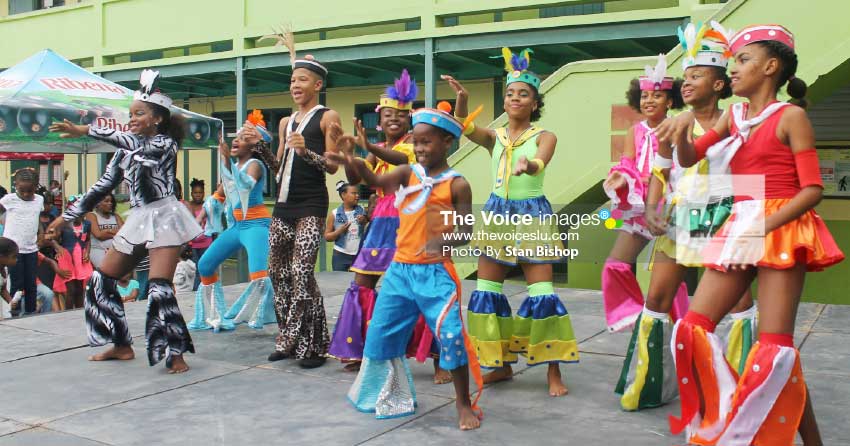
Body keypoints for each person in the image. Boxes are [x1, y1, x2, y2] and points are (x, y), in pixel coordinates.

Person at [657, 24, 844, 445]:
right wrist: (683, 127)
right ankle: (729, 417)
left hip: (780, 226)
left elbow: (812, 190)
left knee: (774, 351)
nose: (733, 69)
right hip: (738, 221)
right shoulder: (734, 115)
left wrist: (759, 227)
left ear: (771, 67)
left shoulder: (791, 117)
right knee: (690, 330)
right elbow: (689, 158)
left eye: (742, 60)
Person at [615, 21, 755, 411]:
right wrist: (653, 208)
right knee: (657, 298)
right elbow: (660, 173)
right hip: (681, 217)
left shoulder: (738, 120)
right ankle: (649, 387)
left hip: (725, 218)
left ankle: (742, 387)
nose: (687, 82)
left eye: (697, 75)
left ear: (719, 84)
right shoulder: (671, 125)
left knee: (740, 303)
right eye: (686, 76)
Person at [335, 105, 482, 430]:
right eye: (416, 142)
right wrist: (352, 155)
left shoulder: (457, 184)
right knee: (380, 333)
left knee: (451, 335)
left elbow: (465, 232)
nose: (419, 148)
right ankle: (387, 393)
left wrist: (440, 243)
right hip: (400, 272)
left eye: (426, 142)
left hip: (435, 274)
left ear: (447, 142)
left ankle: (463, 402)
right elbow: (373, 179)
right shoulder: (406, 173)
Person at [48, 69, 202, 374]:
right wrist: (66, 218)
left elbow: (136, 145)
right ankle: (120, 344)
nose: (132, 119)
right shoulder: (125, 150)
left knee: (159, 288)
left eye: (139, 113)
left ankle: (175, 353)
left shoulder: (165, 144)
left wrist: (86, 129)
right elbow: (101, 187)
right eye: (130, 114)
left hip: (166, 218)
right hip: (139, 218)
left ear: (157, 118)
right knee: (100, 281)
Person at [446, 48, 578, 396]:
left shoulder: (545, 135)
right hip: (497, 215)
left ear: (535, 103)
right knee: (487, 292)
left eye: (523, 94)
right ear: (504, 101)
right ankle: (500, 365)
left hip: (532, 214)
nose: (515, 98)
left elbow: (540, 161)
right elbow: (465, 127)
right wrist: (462, 99)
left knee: (543, 294)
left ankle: (553, 371)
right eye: (510, 93)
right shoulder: (495, 137)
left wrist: (528, 166)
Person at [328, 70, 448, 379]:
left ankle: (439, 359)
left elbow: (400, 160)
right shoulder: (376, 147)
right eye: (388, 115)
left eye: (401, 115)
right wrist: (349, 155)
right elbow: (357, 178)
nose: (394, 119)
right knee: (362, 283)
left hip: (411, 219)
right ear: (379, 120)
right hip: (381, 221)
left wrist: (368, 148)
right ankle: (362, 350)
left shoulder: (414, 145)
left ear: (410, 119)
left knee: (422, 287)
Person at [263, 29, 342, 368]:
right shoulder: (285, 121)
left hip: (311, 205)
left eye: (302, 80)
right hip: (283, 206)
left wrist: (306, 151)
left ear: (317, 85)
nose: (295, 85)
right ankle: (303, 341)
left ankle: (299, 340)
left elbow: (333, 165)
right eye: (293, 80)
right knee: (277, 272)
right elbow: (279, 169)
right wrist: (259, 148)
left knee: (300, 271)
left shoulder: (328, 117)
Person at [600, 54, 688, 334]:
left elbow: (686, 164)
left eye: (657, 96)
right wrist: (621, 177)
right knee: (615, 265)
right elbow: (627, 163)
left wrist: (662, 178)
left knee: (668, 280)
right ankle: (634, 316)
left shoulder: (678, 126)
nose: (649, 101)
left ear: (670, 101)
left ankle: (678, 330)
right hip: (640, 207)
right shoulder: (634, 131)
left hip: (669, 207)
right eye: (645, 96)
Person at [189, 111, 278, 332]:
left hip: (256, 225)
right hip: (236, 227)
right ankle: (215, 315)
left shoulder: (255, 165)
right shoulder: (232, 168)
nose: (236, 141)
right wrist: (197, 221)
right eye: (235, 137)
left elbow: (244, 186)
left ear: (254, 146)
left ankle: (259, 316)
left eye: (243, 138)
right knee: (205, 265)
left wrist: (226, 162)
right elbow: (218, 196)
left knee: (258, 274)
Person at [0, 168, 44, 316]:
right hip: (12, 250)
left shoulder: (39, 199)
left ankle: (30, 312)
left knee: (31, 284)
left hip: (31, 248)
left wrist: (41, 233)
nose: (25, 194)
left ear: (36, 187)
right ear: (16, 185)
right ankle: (15, 313)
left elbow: (36, 218)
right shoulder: (9, 199)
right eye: (22, 190)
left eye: (29, 191)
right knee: (17, 284)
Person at [51, 205, 93, 310]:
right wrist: (58, 247)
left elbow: (87, 240)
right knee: (71, 290)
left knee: (80, 289)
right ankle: (68, 313)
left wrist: (87, 252)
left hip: (81, 259)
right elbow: (52, 239)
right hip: (67, 258)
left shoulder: (87, 224)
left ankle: (79, 311)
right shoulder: (63, 225)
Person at [325, 181, 366, 272]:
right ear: (343, 195)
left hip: (359, 254)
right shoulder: (335, 214)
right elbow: (327, 237)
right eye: (353, 193)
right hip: (340, 255)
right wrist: (339, 231)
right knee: (339, 279)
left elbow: (367, 224)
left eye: (357, 193)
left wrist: (364, 220)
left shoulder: (362, 210)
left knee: (357, 280)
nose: (357, 196)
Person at [184, 178, 211, 291]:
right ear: (191, 193)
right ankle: (195, 291)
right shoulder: (188, 206)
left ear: (203, 193)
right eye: (195, 192)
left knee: (205, 268)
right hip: (193, 245)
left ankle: (204, 289)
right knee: (194, 269)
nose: (198, 195)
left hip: (206, 243)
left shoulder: (207, 206)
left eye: (200, 192)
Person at [86, 192, 123, 269]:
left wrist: (106, 231)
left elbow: (124, 233)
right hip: (98, 250)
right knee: (108, 270)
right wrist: (116, 232)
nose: (110, 203)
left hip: (116, 250)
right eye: (106, 201)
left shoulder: (115, 216)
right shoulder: (91, 215)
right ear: (97, 203)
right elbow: (99, 235)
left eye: (111, 201)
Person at [0, 237, 18, 320]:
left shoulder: (5, 270)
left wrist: (10, 301)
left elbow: (3, 289)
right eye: (14, 257)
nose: (16, 260)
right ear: (1, 257)